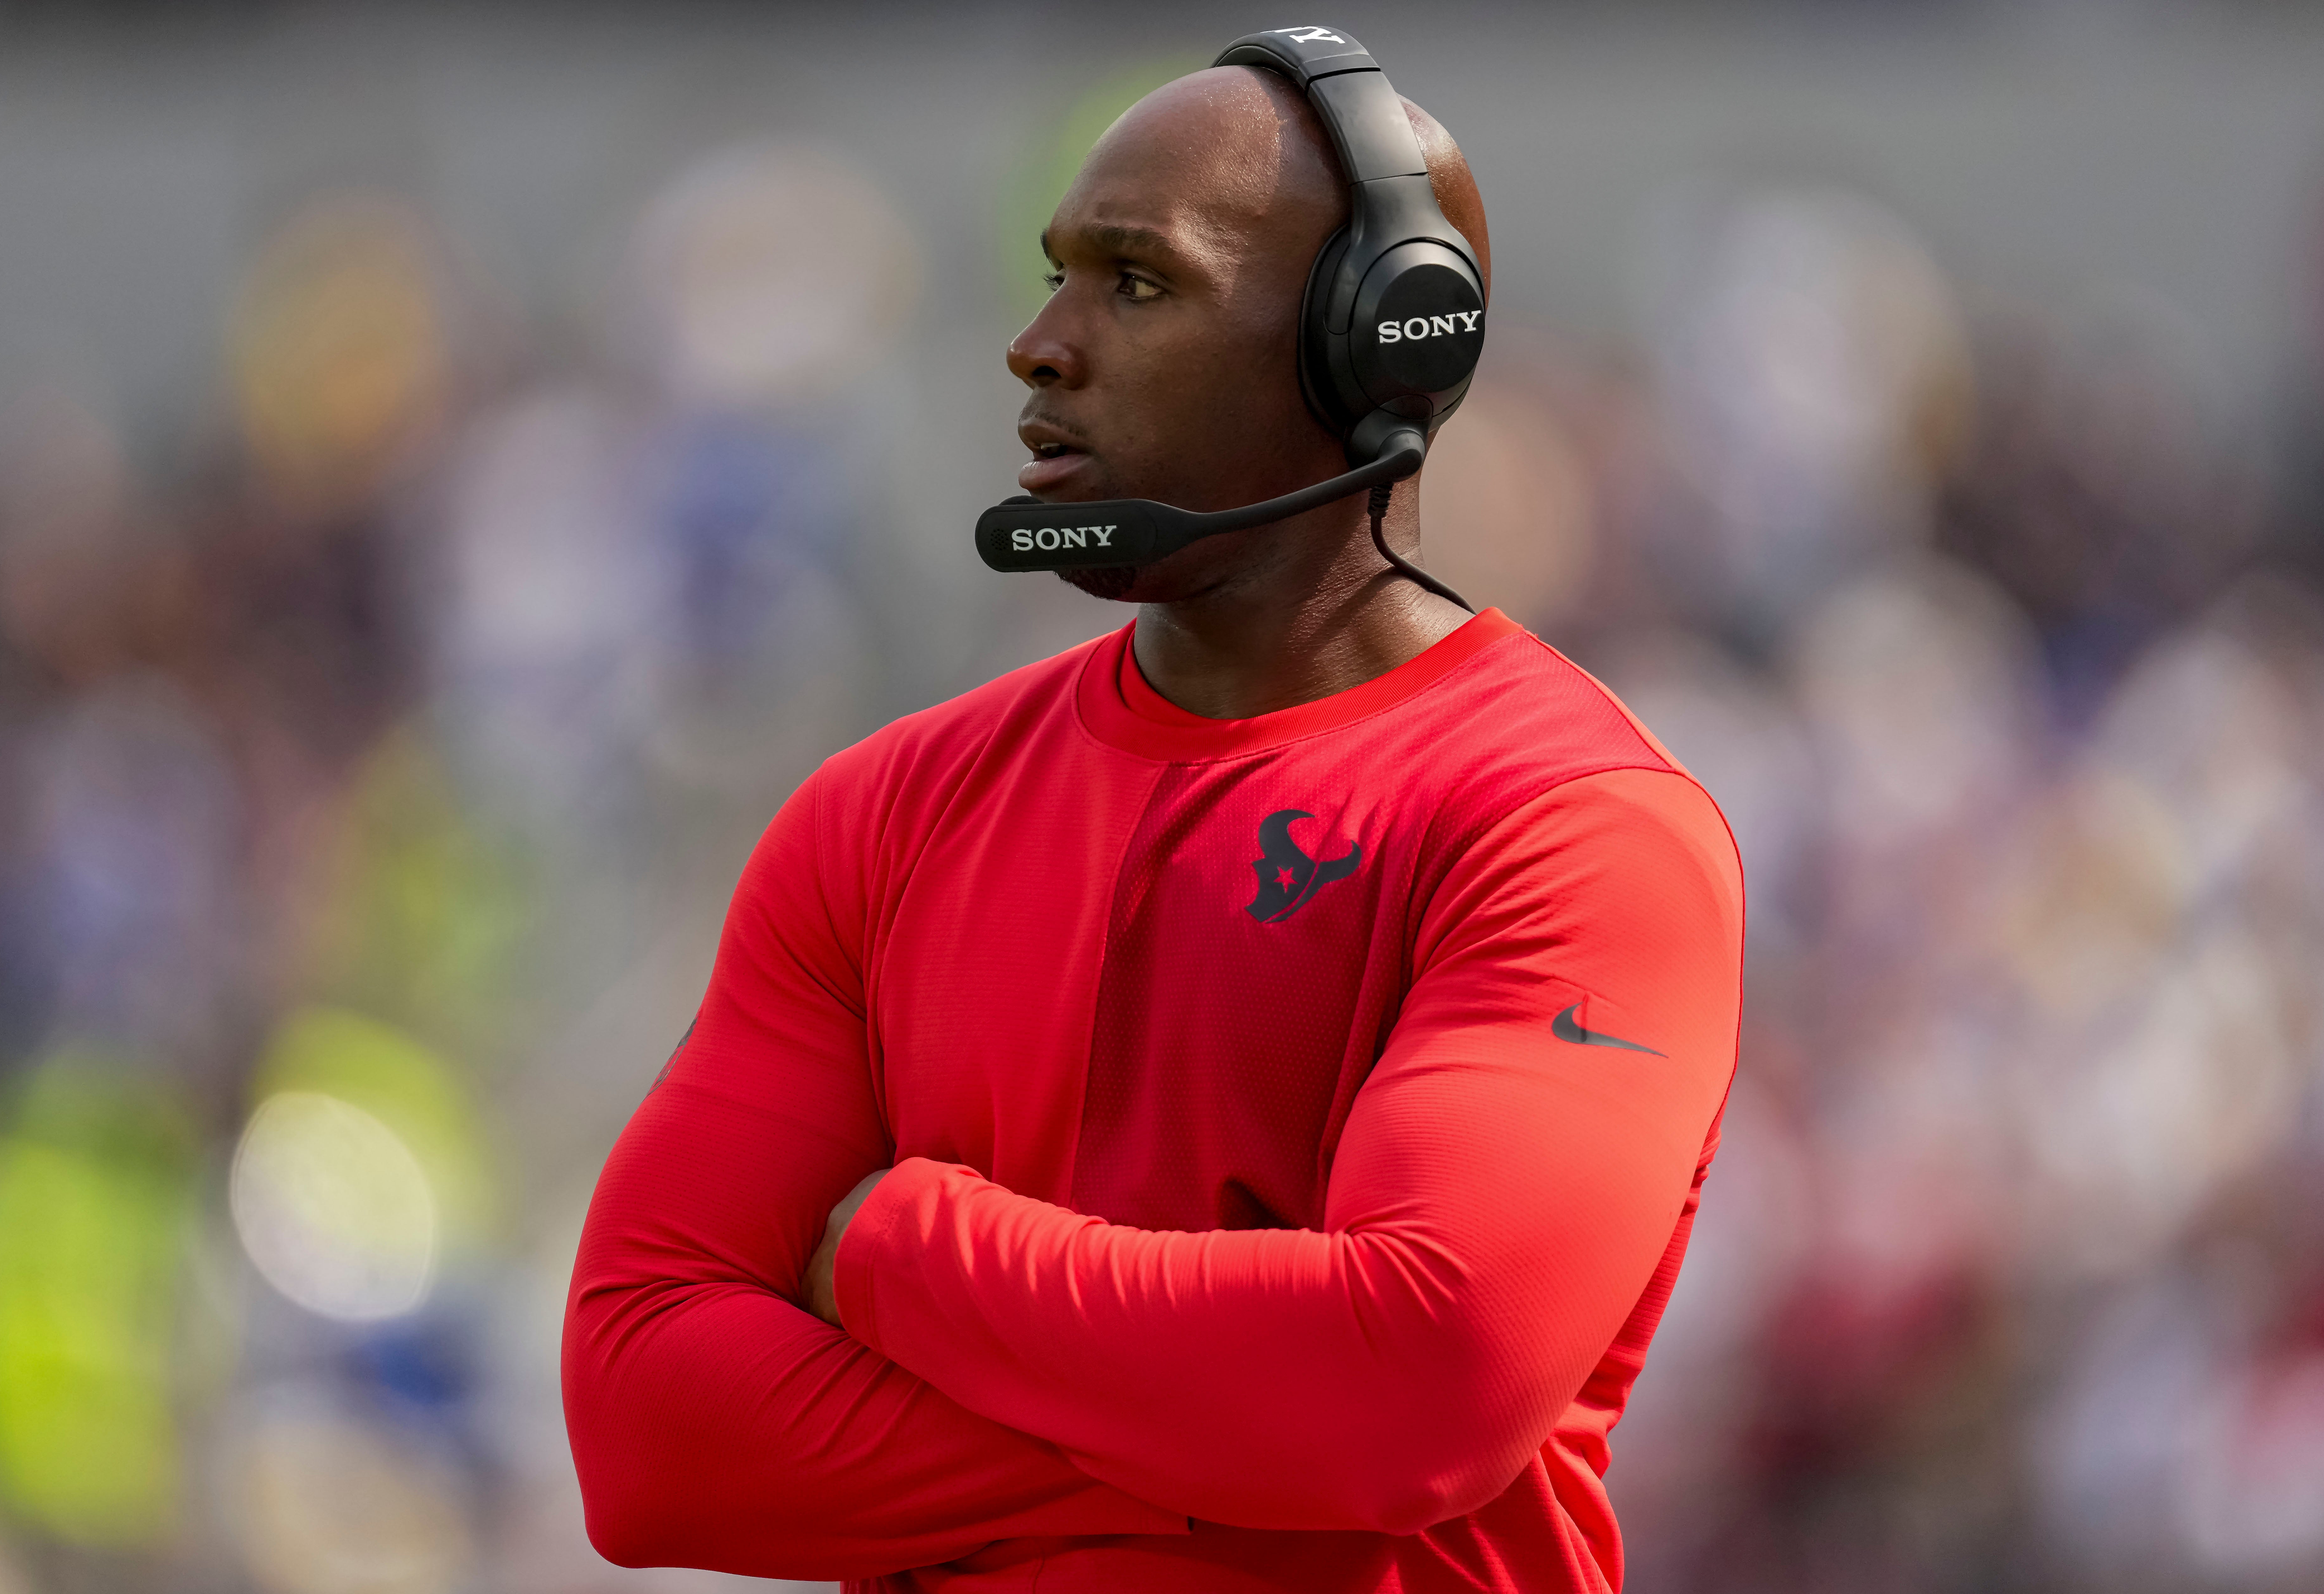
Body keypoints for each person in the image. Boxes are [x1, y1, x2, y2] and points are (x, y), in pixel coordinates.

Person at [562, 46, 1743, 1594]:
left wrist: (903, 1248)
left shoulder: (1572, 824)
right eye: (1056, 277)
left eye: (1135, 286)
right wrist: (1242, 1455)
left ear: (1371, 345)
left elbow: (1416, 1385)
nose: (1037, 348)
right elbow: (649, 1429)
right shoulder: (878, 816)